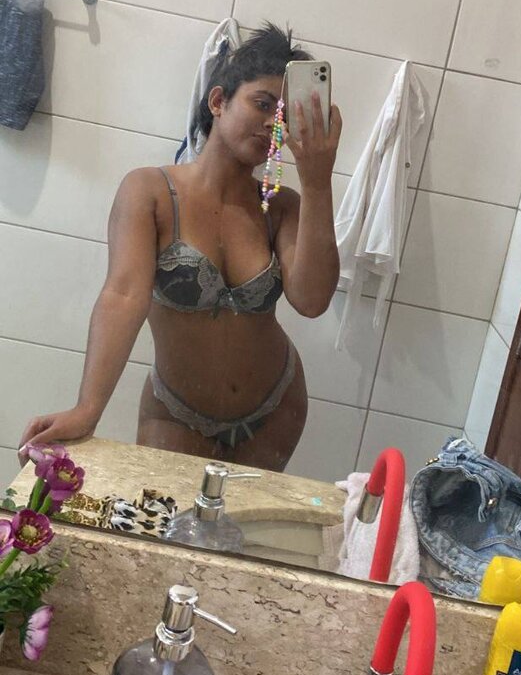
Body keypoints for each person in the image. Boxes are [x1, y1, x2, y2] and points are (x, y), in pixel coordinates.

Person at [19, 24, 342, 471]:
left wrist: (318, 179)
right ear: (218, 101)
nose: (273, 123)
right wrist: (87, 408)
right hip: (176, 412)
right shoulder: (150, 191)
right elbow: (123, 296)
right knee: (163, 516)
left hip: (277, 408)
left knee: (245, 520)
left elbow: (311, 300)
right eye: (263, 103)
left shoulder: (281, 207)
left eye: (284, 115)